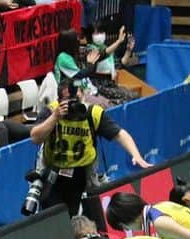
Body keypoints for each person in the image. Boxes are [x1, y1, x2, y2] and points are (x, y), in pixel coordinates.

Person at [29, 77, 151, 223]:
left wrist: (136, 155)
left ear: (83, 95)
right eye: (69, 100)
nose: (74, 103)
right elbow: (35, 137)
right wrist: (55, 117)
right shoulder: (51, 111)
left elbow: (119, 133)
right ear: (59, 99)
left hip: (82, 174)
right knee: (53, 220)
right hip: (54, 172)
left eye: (77, 98)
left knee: (85, 218)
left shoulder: (93, 113)